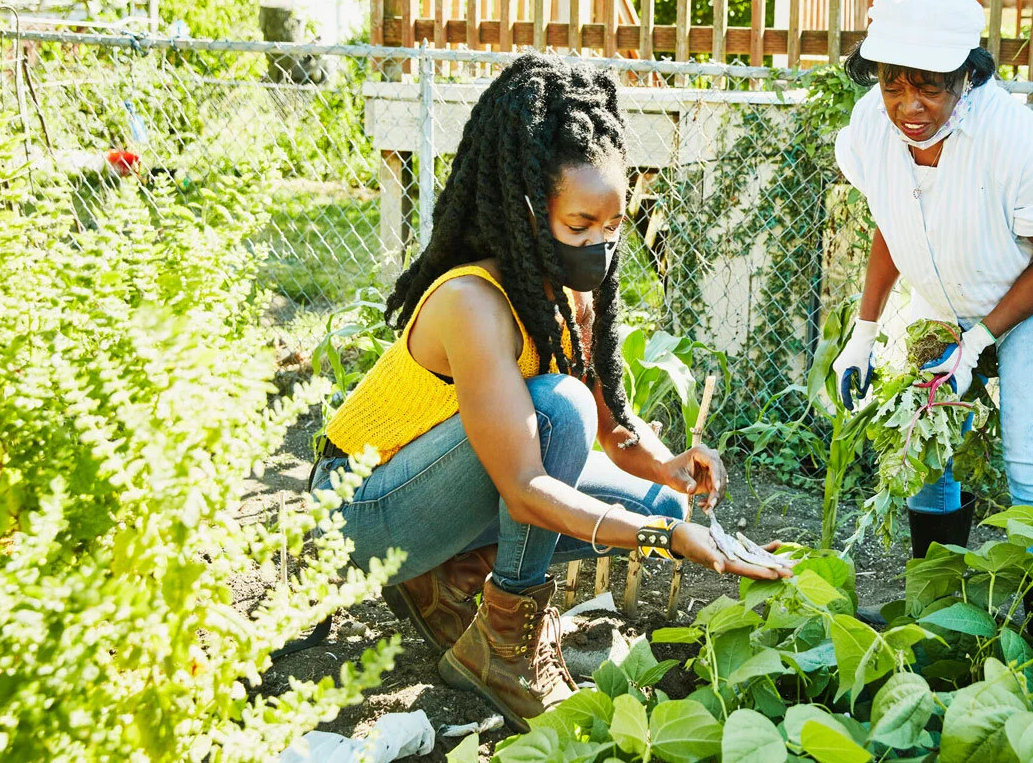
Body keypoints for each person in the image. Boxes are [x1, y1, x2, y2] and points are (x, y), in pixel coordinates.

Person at [310, 53, 788, 731]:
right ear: (531, 211)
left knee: (658, 499)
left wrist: (671, 469)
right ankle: (505, 645)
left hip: (439, 495)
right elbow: (528, 485)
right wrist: (667, 540)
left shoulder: (566, 295)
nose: (600, 246)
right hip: (357, 509)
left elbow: (611, 427)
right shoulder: (473, 302)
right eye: (579, 226)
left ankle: (447, 574)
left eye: (612, 228)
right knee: (560, 412)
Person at [831, 0, 1033, 562]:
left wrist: (976, 344)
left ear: (967, 77)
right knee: (923, 444)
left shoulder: (1011, 139)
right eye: (892, 84)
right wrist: (864, 334)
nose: (908, 107)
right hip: (943, 294)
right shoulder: (871, 126)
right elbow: (893, 219)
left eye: (929, 88)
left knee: (1031, 460)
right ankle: (935, 599)